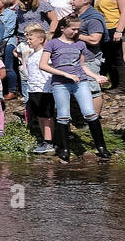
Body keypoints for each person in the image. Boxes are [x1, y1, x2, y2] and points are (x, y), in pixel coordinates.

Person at [40, 15, 111, 161]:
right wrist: (65, 74)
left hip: (80, 81)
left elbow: (82, 66)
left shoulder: (80, 44)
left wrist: (96, 77)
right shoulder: (52, 44)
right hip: (60, 83)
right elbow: (43, 65)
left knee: (90, 113)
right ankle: (64, 148)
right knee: (63, 115)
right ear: (62, 28)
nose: (76, 32)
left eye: (78, 29)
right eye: (73, 29)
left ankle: (101, 147)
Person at [70, 0, 109, 116]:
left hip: (90, 59)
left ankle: (94, 120)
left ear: (86, 1)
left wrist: (76, 35)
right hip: (77, 58)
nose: (70, 2)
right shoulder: (76, 16)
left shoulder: (93, 18)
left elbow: (95, 39)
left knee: (93, 90)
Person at [21, 25, 56, 154]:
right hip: (33, 88)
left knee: (47, 117)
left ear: (41, 40)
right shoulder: (30, 56)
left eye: (31, 39)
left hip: (45, 89)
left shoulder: (46, 53)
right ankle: (44, 140)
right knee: (40, 116)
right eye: (28, 39)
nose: (28, 41)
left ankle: (50, 142)